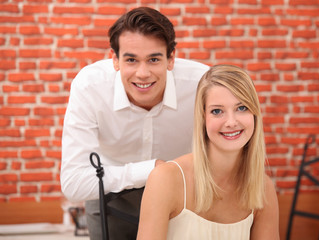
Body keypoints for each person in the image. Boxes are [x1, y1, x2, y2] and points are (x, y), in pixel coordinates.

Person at [60, 6, 209, 240]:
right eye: (131, 59)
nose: (142, 73)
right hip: (111, 196)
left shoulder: (202, 84)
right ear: (115, 59)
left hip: (183, 199)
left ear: (171, 59)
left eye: (153, 59)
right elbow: (74, 183)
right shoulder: (89, 87)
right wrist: (151, 169)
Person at [137, 64, 280, 240]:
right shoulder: (165, 179)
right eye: (217, 111)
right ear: (203, 118)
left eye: (242, 108)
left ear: (255, 115)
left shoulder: (263, 188)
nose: (231, 122)